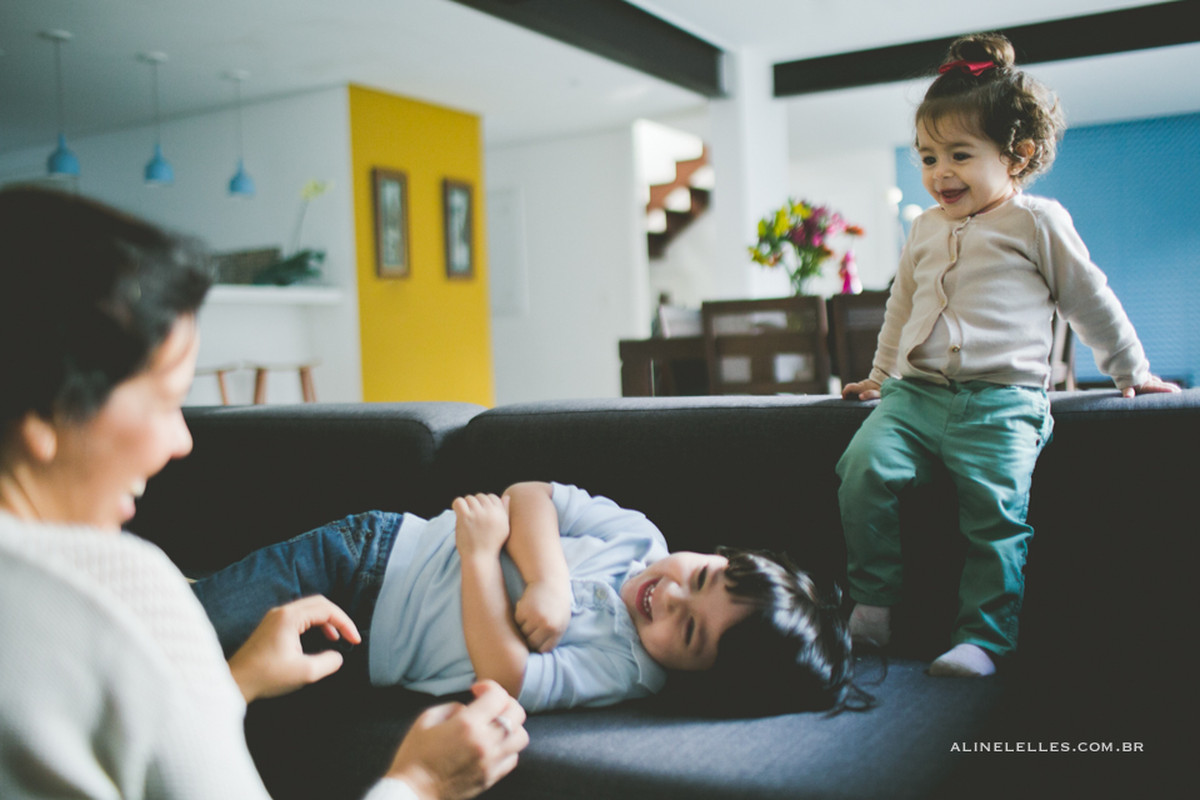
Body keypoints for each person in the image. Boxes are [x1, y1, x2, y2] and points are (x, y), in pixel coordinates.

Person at [0, 186, 527, 800]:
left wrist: (232, 682)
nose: (181, 442)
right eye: (167, 398)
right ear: (44, 414)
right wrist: (422, 781)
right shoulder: (119, 589)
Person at [837, 33, 1181, 678]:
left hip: (1003, 400)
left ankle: (982, 638)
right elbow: (901, 305)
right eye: (927, 156)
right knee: (863, 470)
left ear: (1016, 155)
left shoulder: (1037, 223)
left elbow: (1090, 300)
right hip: (915, 396)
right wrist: (882, 374)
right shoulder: (922, 228)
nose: (940, 173)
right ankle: (873, 605)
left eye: (960, 155)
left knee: (995, 513)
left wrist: (1131, 370)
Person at [192, 481, 857, 716]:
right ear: (718, 555)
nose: (672, 595)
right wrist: (549, 583)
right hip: (368, 554)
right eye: (703, 577)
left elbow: (507, 676)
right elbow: (531, 494)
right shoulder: (637, 538)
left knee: (207, 678)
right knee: (193, 625)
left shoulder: (629, 669)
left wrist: (484, 557)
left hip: (360, 656)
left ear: (698, 679)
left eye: (689, 633)